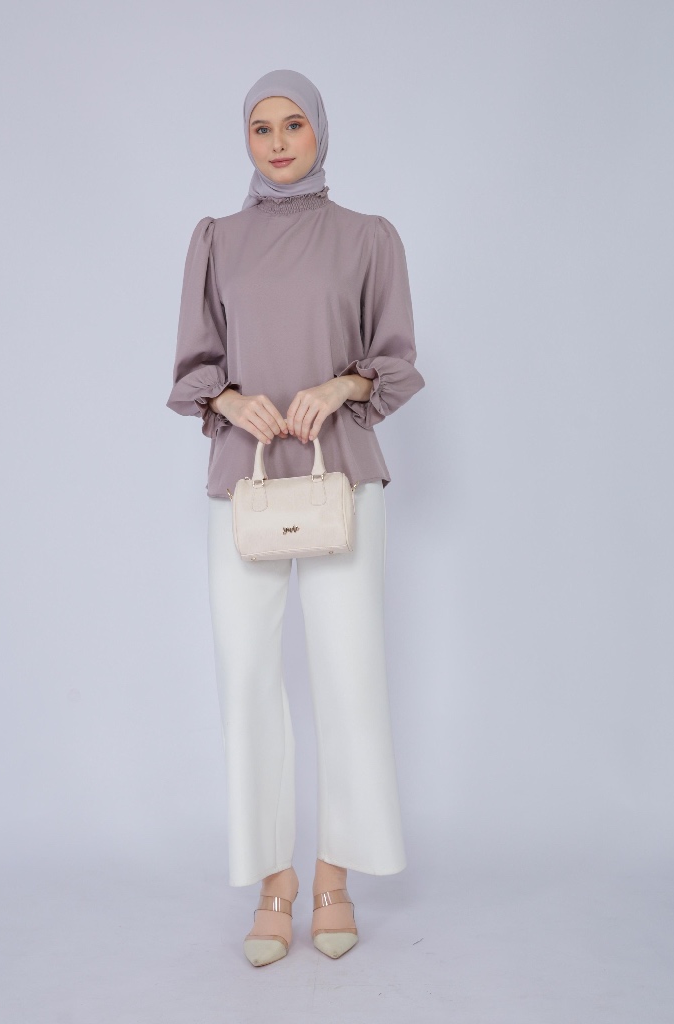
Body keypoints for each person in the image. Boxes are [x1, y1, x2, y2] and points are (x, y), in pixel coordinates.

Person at [165, 69, 425, 967]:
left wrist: (340, 386)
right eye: (261, 128)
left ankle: (333, 876)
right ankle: (273, 882)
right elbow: (194, 366)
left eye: (293, 126)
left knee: (348, 674)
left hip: (339, 476)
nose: (277, 143)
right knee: (245, 678)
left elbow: (395, 360)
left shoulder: (367, 238)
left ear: (320, 131)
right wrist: (230, 401)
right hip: (244, 482)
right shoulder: (217, 240)